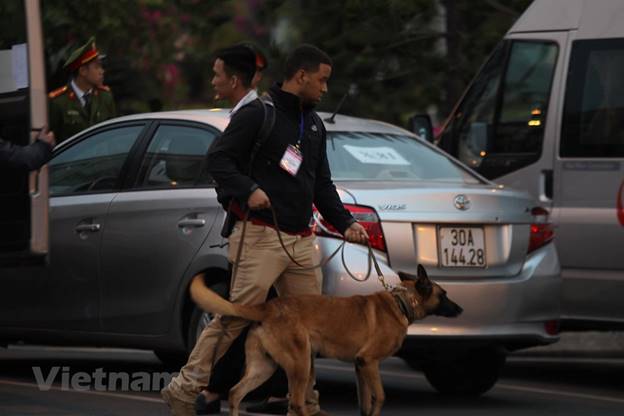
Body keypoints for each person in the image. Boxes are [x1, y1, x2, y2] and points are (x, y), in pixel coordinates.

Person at [162, 44, 369, 416]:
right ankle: (183, 388)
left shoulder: (315, 124)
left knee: (310, 326)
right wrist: (250, 189)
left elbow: (322, 185)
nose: (324, 88)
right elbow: (218, 160)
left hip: (303, 242)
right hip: (258, 236)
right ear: (301, 76)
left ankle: (304, 403)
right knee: (235, 318)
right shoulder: (259, 114)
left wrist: (347, 223)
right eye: (321, 80)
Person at [48, 36, 116, 144]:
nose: (102, 71)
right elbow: (52, 141)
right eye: (97, 67)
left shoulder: (105, 97)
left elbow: (113, 135)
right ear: (83, 71)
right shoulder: (59, 101)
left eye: (101, 67)